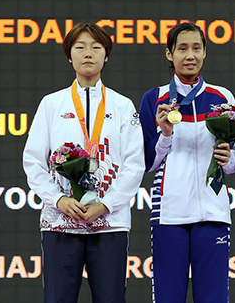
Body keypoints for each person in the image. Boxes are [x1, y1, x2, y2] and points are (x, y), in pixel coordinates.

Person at [22, 22, 144, 303]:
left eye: (96, 47)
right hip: (61, 222)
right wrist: (58, 200)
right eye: (80, 47)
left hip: (109, 222)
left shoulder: (122, 106)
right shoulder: (51, 104)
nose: (88, 53)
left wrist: (106, 203)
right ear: (69, 56)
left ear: (106, 56)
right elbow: (33, 161)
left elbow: (135, 163)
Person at [138, 22, 235, 303]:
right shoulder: (154, 98)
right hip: (169, 216)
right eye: (182, 48)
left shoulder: (223, 97)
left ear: (205, 53)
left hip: (214, 215)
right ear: (169, 54)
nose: (189, 55)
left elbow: (234, 160)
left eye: (196, 48)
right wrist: (165, 135)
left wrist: (229, 159)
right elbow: (147, 162)